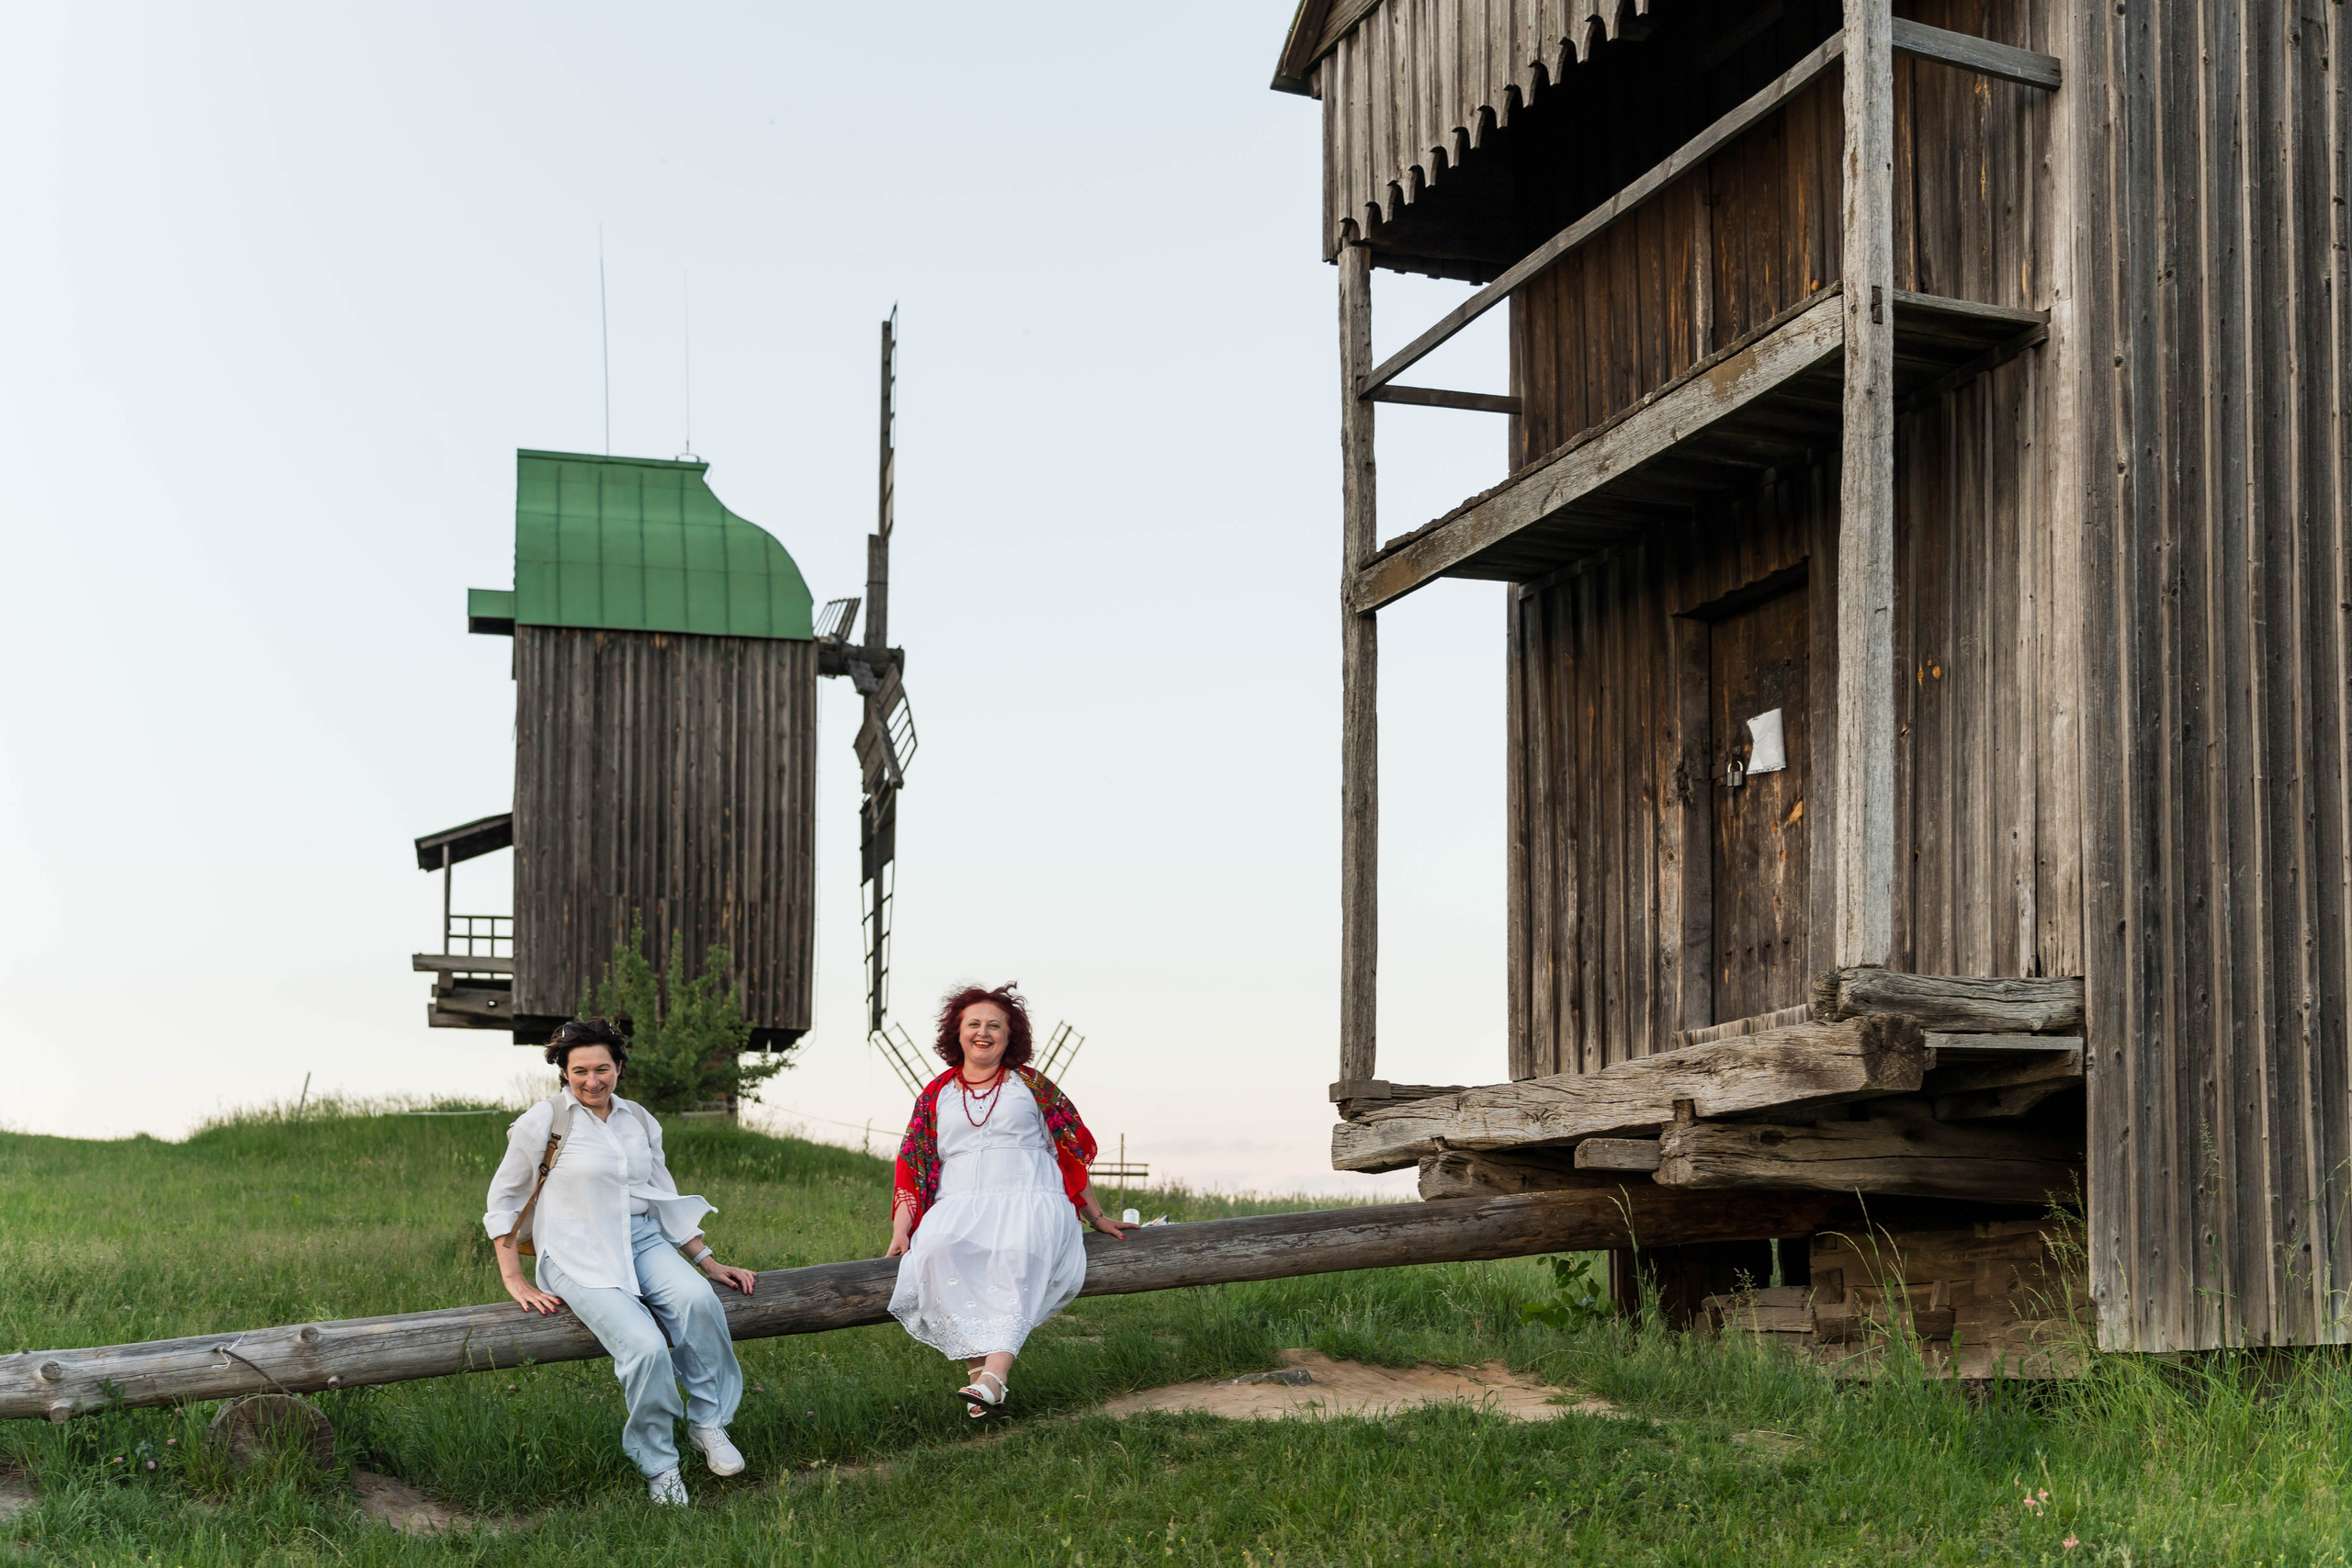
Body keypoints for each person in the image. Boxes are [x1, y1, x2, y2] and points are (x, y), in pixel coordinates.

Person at [482, 1017, 759, 1506]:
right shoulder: (542, 1121)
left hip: (642, 1240)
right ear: (564, 1072)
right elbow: (505, 1200)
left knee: (698, 1301)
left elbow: (660, 1194)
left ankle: (708, 1423)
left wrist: (707, 1261)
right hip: (575, 1251)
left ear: (620, 1067)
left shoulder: (638, 1119)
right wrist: (514, 1278)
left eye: (603, 1069)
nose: (592, 1080)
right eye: (580, 1070)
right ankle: (660, 1464)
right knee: (645, 1346)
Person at [886, 982, 1130, 1418]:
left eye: (994, 1025)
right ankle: (978, 1373)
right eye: (974, 1024)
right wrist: (902, 1228)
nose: (983, 1032)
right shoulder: (935, 1095)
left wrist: (1096, 1216)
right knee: (936, 1251)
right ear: (957, 1033)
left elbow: (1069, 1153)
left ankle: (995, 1378)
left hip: (1032, 1198)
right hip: (959, 1203)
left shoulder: (1030, 1085)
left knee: (1019, 1254)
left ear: (1009, 1034)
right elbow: (914, 1165)